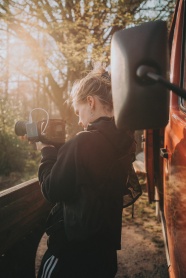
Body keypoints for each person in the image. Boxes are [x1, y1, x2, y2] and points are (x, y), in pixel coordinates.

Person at [37, 66, 136, 278]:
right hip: (103, 257)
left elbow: (51, 189)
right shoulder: (124, 141)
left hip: (70, 258)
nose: (80, 121)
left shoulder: (83, 142)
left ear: (91, 102)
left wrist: (46, 153)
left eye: (78, 111)